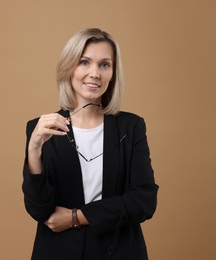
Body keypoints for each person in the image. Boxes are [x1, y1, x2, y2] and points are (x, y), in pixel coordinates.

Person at [22, 28, 159, 260]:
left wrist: (76, 217)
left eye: (104, 65)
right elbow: (40, 211)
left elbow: (143, 201)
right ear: (69, 67)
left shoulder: (131, 126)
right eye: (84, 62)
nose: (94, 73)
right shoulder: (41, 128)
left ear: (113, 74)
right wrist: (34, 149)